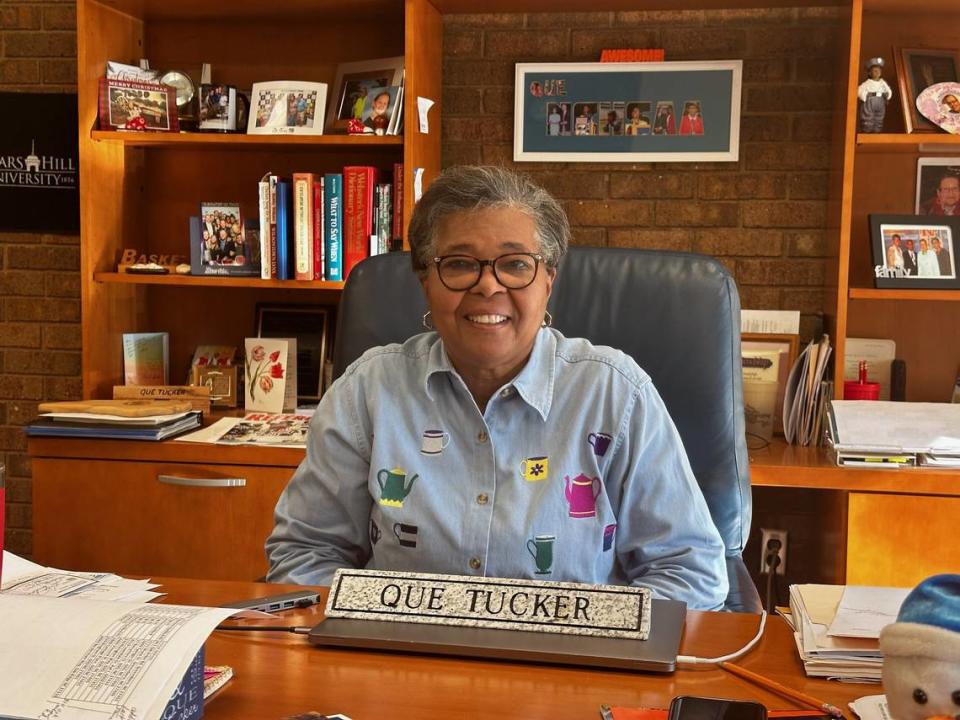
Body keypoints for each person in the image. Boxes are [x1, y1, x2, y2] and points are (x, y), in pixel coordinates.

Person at [266, 165, 728, 610]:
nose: (488, 286)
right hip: (403, 667)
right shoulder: (368, 392)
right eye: (460, 264)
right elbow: (304, 553)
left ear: (548, 280)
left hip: (571, 669)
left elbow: (691, 571)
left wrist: (593, 640)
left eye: (515, 264)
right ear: (425, 280)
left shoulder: (615, 395)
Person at [857, 57, 892, 133]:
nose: (877, 72)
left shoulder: (883, 83)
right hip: (870, 101)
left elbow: (888, 90)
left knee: (879, 118)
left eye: (878, 70)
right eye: (874, 70)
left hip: (880, 101)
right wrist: (865, 96)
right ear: (870, 73)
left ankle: (877, 132)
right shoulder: (867, 83)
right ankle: (867, 131)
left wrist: (888, 95)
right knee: (868, 118)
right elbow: (859, 90)